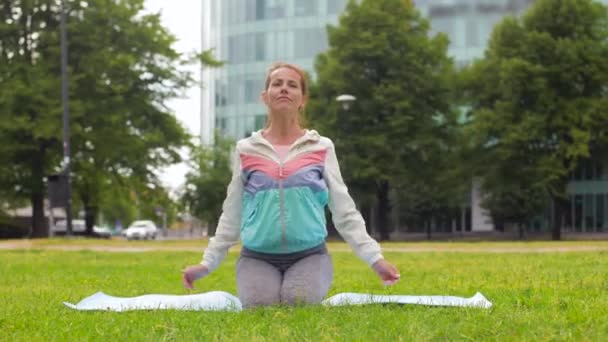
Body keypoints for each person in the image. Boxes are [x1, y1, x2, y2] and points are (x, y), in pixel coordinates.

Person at [182, 62, 399, 308]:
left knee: (298, 303)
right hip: (257, 257)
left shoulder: (321, 147)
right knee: (260, 307)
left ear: (302, 99)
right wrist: (206, 264)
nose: (284, 89)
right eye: (277, 84)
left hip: (309, 256)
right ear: (265, 96)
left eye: (292, 85)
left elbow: (344, 210)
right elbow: (232, 213)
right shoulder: (246, 150)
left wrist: (375, 259)